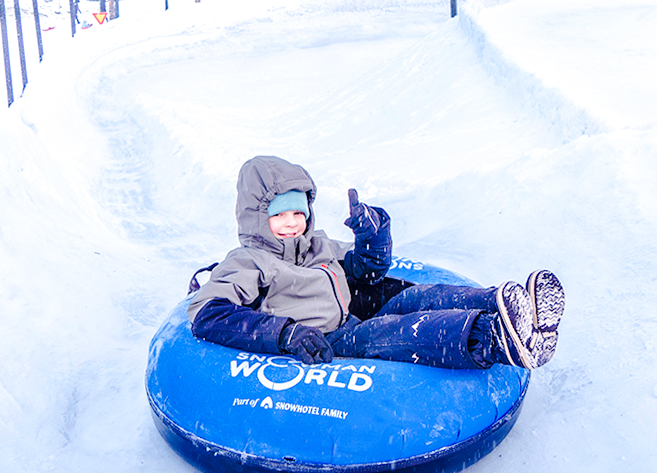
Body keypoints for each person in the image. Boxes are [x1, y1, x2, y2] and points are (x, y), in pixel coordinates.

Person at [186, 155, 564, 370]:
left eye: (298, 214)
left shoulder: (315, 244)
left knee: (414, 299)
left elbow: (366, 271)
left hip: (350, 314)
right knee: (397, 332)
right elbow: (207, 312)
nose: (291, 223)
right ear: (255, 216)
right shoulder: (248, 261)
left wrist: (373, 236)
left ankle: (506, 304)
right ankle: (494, 338)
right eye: (279, 215)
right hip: (325, 339)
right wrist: (286, 334)